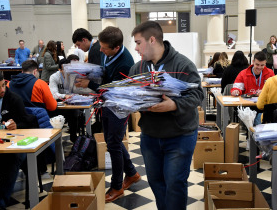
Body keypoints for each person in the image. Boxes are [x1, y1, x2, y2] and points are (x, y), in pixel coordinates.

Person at [128, 21, 204, 210]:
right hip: (150, 135)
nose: (136, 48)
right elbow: (130, 95)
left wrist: (173, 105)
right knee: (155, 182)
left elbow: (197, 95)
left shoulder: (183, 64)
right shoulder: (137, 69)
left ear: (151, 40)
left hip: (179, 135)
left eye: (138, 43)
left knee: (175, 184)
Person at [75, 26, 139, 203]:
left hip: (119, 105)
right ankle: (132, 173)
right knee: (113, 142)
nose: (100, 50)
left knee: (114, 145)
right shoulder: (107, 52)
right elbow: (105, 74)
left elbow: (112, 89)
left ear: (116, 48)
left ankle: (117, 187)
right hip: (108, 103)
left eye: (104, 48)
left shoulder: (125, 63)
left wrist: (90, 84)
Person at [0, 69, 36, 209]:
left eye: (3, 85)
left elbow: (28, 122)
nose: (2, 89)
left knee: (13, 159)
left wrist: (17, 124)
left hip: (14, 144)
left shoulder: (13, 99)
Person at [49, 55, 80, 142]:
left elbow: (78, 90)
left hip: (71, 103)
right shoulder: (54, 77)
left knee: (74, 112)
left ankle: (74, 138)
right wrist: (64, 96)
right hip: (57, 103)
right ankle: (56, 140)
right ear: (60, 69)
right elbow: (53, 94)